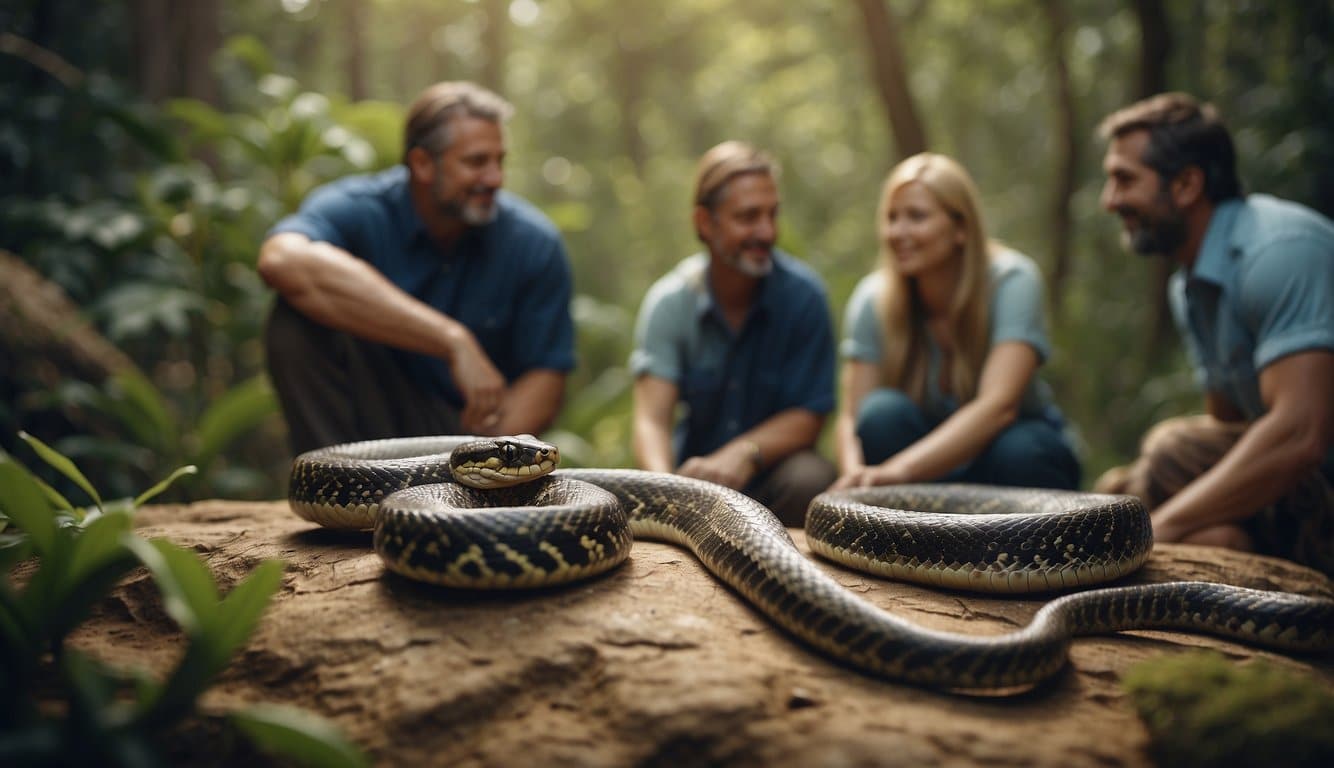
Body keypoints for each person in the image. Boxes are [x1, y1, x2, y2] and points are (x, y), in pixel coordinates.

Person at [257, 81, 575, 455]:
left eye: (499, 161)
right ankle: (335, 486)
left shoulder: (534, 243)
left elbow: (547, 375)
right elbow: (281, 259)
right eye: (476, 162)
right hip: (364, 423)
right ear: (422, 163)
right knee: (294, 323)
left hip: (461, 439)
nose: (495, 179)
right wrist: (451, 340)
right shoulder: (360, 209)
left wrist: (485, 459)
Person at [1093, 92, 1334, 576]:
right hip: (1293, 499)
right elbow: (1227, 429)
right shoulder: (1191, 285)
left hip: (1319, 481)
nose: (1110, 200)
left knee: (1168, 451)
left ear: (1186, 184)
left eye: (1124, 179)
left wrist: (1157, 527)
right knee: (1137, 499)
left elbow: (1301, 434)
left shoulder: (1276, 253)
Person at [832, 153, 1080, 491]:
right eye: (892, 217)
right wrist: (855, 477)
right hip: (923, 471)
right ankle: (906, 537)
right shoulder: (873, 298)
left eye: (916, 217)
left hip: (1007, 459)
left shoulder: (1013, 280)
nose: (897, 232)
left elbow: (1000, 407)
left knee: (1022, 451)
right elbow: (851, 416)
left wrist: (897, 472)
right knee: (880, 415)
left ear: (961, 228)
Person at [629, 141, 838, 526]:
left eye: (772, 215)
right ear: (705, 224)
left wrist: (745, 452)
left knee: (813, 478)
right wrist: (664, 487)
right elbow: (651, 420)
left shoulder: (804, 298)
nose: (767, 231)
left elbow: (809, 417)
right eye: (748, 217)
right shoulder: (671, 303)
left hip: (773, 479)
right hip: (694, 484)